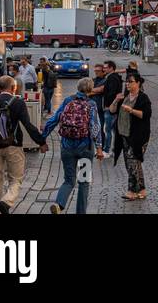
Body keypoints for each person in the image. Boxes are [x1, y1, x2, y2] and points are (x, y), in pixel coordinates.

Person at [0, 75, 47, 214]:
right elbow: (28, 125)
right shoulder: (17, 102)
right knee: (16, 178)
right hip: (13, 146)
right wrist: (41, 142)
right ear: (13, 88)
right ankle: (7, 201)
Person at [43, 78, 104, 214]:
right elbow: (95, 126)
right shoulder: (92, 104)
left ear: (78, 87)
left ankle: (59, 204)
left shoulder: (67, 101)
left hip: (67, 146)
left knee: (69, 180)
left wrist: (43, 139)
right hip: (85, 148)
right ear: (90, 89)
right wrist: (99, 147)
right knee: (83, 181)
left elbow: (53, 120)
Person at [109, 73, 152, 201]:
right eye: (126, 82)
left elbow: (146, 115)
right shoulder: (124, 97)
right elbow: (111, 110)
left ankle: (132, 191)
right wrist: (116, 100)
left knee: (133, 162)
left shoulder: (143, 98)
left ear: (138, 83)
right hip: (124, 135)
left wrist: (131, 111)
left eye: (130, 81)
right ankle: (142, 190)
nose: (127, 84)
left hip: (139, 136)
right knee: (132, 164)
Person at [95, 60, 124, 152]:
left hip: (110, 108)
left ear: (111, 68)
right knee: (113, 130)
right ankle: (115, 148)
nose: (104, 69)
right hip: (113, 107)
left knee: (107, 130)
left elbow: (111, 93)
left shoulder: (112, 78)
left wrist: (108, 105)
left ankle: (107, 150)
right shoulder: (113, 77)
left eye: (106, 67)